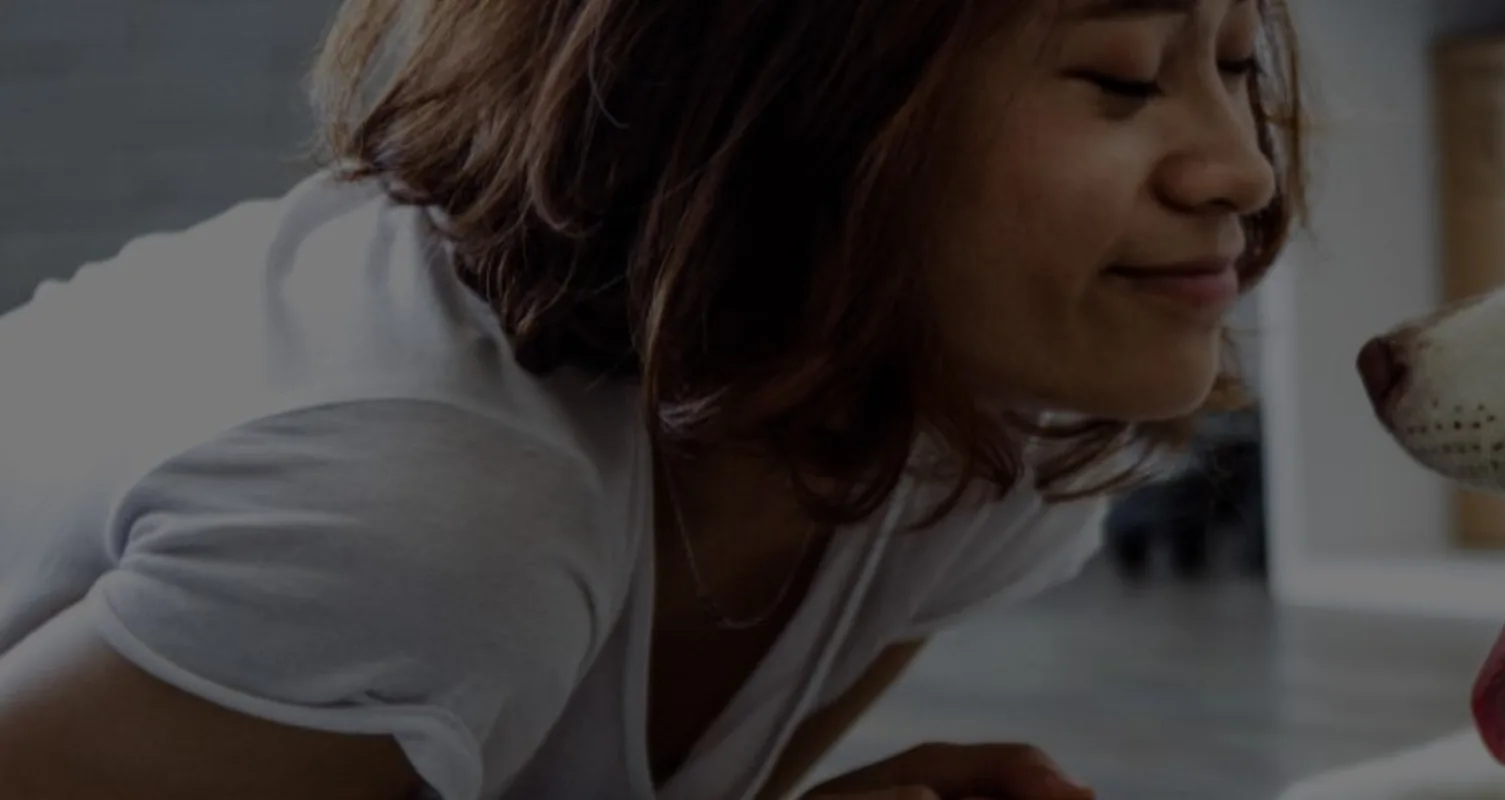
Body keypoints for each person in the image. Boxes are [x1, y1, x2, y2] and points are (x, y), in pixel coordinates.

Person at [0, 0, 1301, 797]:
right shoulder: (430, 517)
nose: (1240, 168)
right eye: (1121, 75)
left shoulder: (980, 439)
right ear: (789, 101)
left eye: (1239, 64)